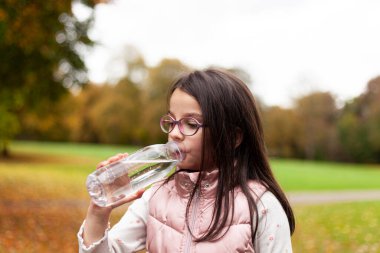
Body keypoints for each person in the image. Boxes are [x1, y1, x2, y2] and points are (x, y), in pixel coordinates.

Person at [78, 68, 295, 252]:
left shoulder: (262, 206)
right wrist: (98, 214)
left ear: (232, 138)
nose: (174, 133)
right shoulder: (156, 196)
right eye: (171, 121)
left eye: (191, 124)